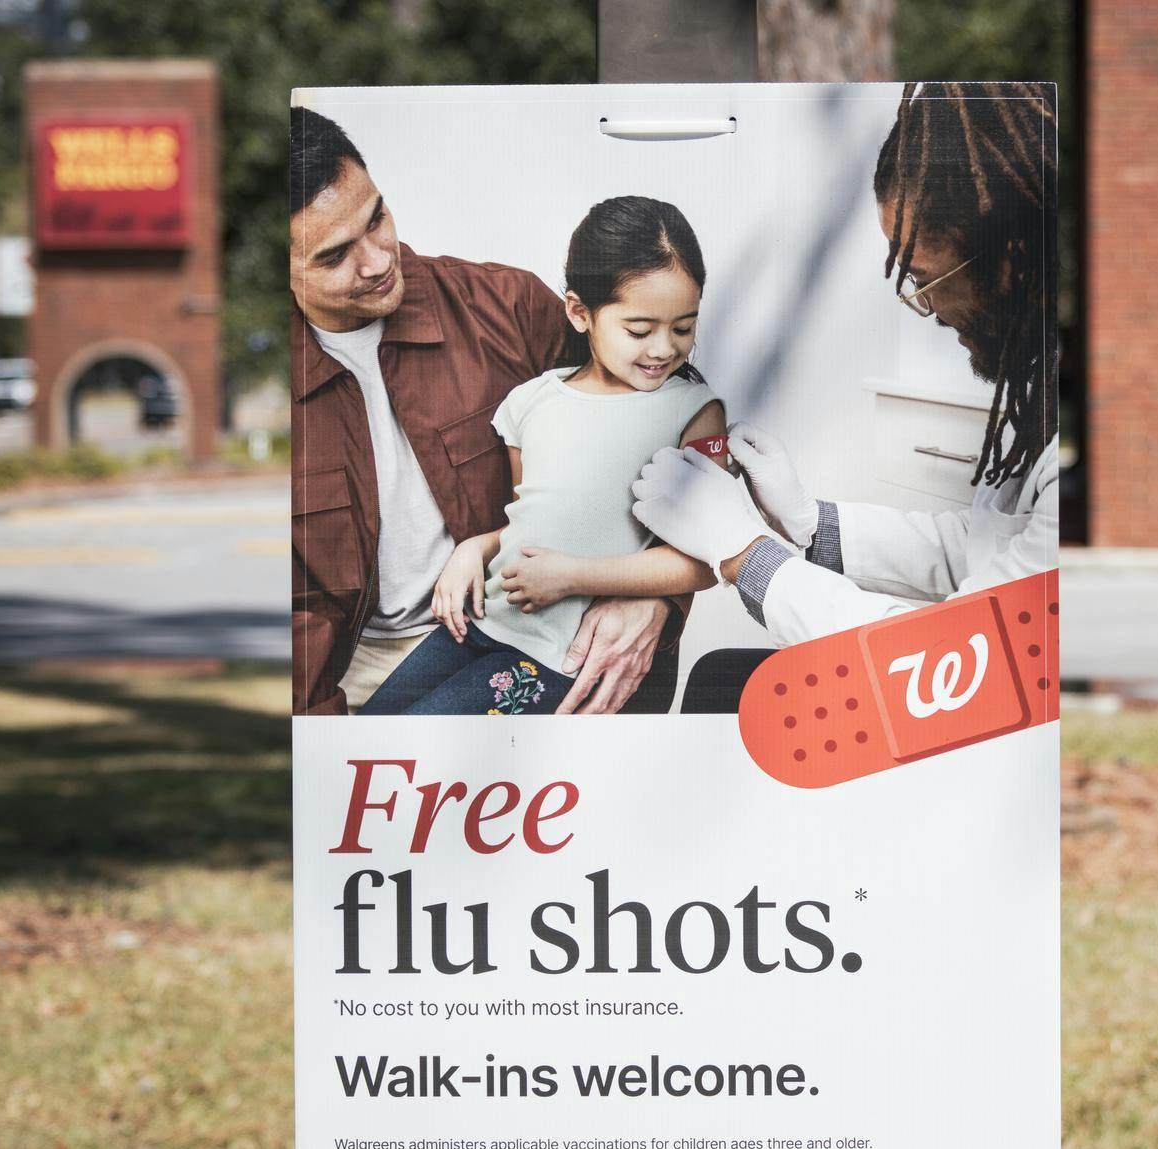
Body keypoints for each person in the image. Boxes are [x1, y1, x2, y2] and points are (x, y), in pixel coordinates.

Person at [630, 82, 1059, 709]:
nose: (926, 308)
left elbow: (955, 659)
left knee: (737, 696)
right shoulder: (1037, 389)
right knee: (724, 677)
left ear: (1011, 261)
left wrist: (746, 555)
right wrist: (812, 523)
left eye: (924, 277)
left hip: (991, 705)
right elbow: (985, 546)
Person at [288, 107, 685, 715]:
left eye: (377, 218)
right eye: (333, 255)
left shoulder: (507, 308)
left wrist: (654, 600)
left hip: (535, 633)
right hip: (353, 674)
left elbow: (675, 427)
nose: (376, 260)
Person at [361, 197, 728, 715]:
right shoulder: (529, 402)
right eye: (640, 331)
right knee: (366, 736)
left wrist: (574, 577)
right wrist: (476, 548)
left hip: (561, 659)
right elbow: (529, 523)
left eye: (684, 328)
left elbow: (701, 561)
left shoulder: (693, 411)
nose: (664, 349)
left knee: (420, 740)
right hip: (482, 626)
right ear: (580, 312)